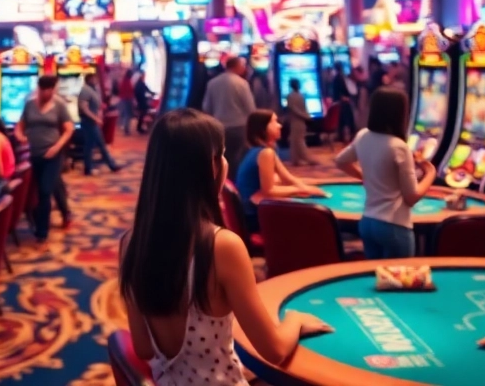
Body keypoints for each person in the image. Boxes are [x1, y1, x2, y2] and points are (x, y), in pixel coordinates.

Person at [120, 109, 332, 386]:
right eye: (221, 154)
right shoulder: (222, 246)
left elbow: (144, 348)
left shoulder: (131, 242)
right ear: (210, 166)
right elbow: (275, 350)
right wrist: (294, 319)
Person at [334, 88, 436, 259]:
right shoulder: (398, 146)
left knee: (377, 279)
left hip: (367, 223)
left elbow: (340, 161)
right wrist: (430, 172)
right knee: (399, 282)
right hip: (394, 225)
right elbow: (411, 197)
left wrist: (366, 177)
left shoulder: (363, 135)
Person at [236, 109, 326, 232]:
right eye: (274, 122)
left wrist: (307, 187)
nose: (280, 125)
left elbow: (287, 177)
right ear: (263, 129)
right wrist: (301, 189)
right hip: (254, 215)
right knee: (308, 222)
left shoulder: (268, 149)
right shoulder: (265, 153)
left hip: (256, 209)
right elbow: (269, 191)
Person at [15, 75, 75, 242]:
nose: (47, 93)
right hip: (32, 155)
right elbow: (20, 126)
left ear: (54, 89)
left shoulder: (59, 105)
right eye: (44, 89)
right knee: (38, 191)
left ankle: (42, 233)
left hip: (52, 156)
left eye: (50, 89)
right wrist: (20, 136)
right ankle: (58, 214)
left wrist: (57, 147)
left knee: (45, 191)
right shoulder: (29, 105)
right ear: (39, 88)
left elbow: (69, 129)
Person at [202, 56, 256, 179]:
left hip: (219, 126)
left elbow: (206, 107)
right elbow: (250, 109)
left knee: (222, 157)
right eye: (243, 65)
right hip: (239, 127)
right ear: (236, 66)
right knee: (238, 158)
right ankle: (235, 184)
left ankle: (222, 182)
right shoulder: (242, 83)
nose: (245, 68)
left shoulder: (212, 83)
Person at [79, 72, 122, 174]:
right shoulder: (86, 90)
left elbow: (93, 104)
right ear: (89, 79)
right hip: (89, 122)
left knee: (92, 145)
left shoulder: (92, 90)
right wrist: (95, 118)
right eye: (94, 79)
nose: (96, 80)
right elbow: (84, 108)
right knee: (97, 145)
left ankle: (89, 168)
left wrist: (100, 106)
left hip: (92, 122)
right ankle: (111, 166)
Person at [284, 78, 316, 166]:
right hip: (297, 120)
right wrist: (306, 116)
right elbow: (296, 109)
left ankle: (302, 159)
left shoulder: (293, 96)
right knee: (296, 140)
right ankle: (297, 160)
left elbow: (295, 109)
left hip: (297, 120)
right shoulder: (296, 96)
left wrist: (306, 116)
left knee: (297, 140)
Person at [120, 70, 137, 135]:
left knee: (126, 114)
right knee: (128, 115)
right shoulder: (127, 81)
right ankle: (126, 129)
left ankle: (126, 128)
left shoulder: (124, 80)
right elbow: (130, 90)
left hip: (125, 99)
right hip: (127, 99)